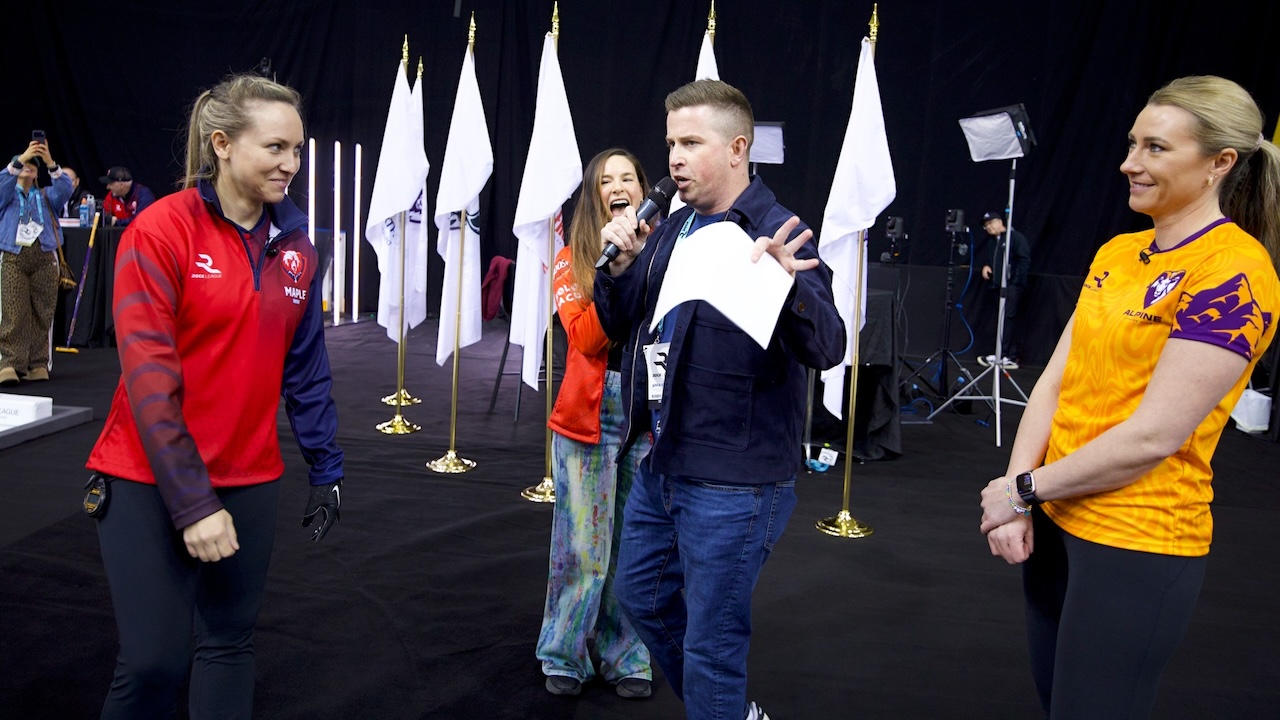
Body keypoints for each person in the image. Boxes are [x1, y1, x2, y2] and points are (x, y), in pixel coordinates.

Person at [979, 75, 1280, 720]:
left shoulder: (1234, 270)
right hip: (1056, 520)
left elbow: (1155, 435)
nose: (1129, 163)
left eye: (1155, 149)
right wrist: (1019, 495)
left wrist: (1021, 490)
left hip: (1137, 540)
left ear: (1220, 163)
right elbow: (1055, 383)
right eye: (1131, 144)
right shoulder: (1118, 252)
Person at [84, 73, 344, 720]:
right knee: (154, 663)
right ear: (223, 144)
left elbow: (306, 365)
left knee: (228, 644)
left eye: (298, 149)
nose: (291, 164)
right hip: (146, 476)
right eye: (276, 148)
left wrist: (326, 464)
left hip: (249, 475)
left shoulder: (298, 249)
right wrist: (194, 502)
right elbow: (148, 381)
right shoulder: (160, 231)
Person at [595, 79, 845, 720]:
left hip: (735, 481)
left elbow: (829, 346)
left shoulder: (778, 230)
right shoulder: (672, 229)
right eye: (671, 142)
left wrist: (787, 289)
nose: (673, 158)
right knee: (643, 599)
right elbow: (625, 326)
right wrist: (619, 271)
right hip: (662, 461)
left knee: (712, 644)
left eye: (691, 143)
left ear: (737, 148)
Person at [537, 148, 655, 700]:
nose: (619, 185)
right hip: (589, 414)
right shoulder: (573, 257)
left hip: (646, 413)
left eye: (628, 177)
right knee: (583, 545)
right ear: (594, 196)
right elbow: (585, 338)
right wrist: (616, 268)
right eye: (606, 180)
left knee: (634, 544)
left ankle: (624, 652)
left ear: (643, 189)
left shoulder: (665, 252)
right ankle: (564, 651)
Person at [0, 140, 74, 386]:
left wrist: (50, 162)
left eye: (33, 165)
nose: (28, 168)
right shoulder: (7, 195)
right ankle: (11, 362)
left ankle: (38, 363)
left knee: (43, 310)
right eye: (24, 164)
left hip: (44, 256)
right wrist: (20, 159)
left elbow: (65, 189)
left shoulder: (46, 196)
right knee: (13, 310)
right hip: (13, 255)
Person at [976, 210, 1031, 369]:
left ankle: (1008, 355)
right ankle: (1003, 353)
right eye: (986, 225)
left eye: (991, 223)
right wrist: (988, 267)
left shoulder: (1015, 238)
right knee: (1001, 319)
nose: (989, 227)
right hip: (997, 286)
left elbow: (1023, 259)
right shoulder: (992, 242)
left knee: (1008, 318)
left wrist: (1014, 282)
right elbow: (993, 260)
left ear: (1000, 222)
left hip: (1012, 286)